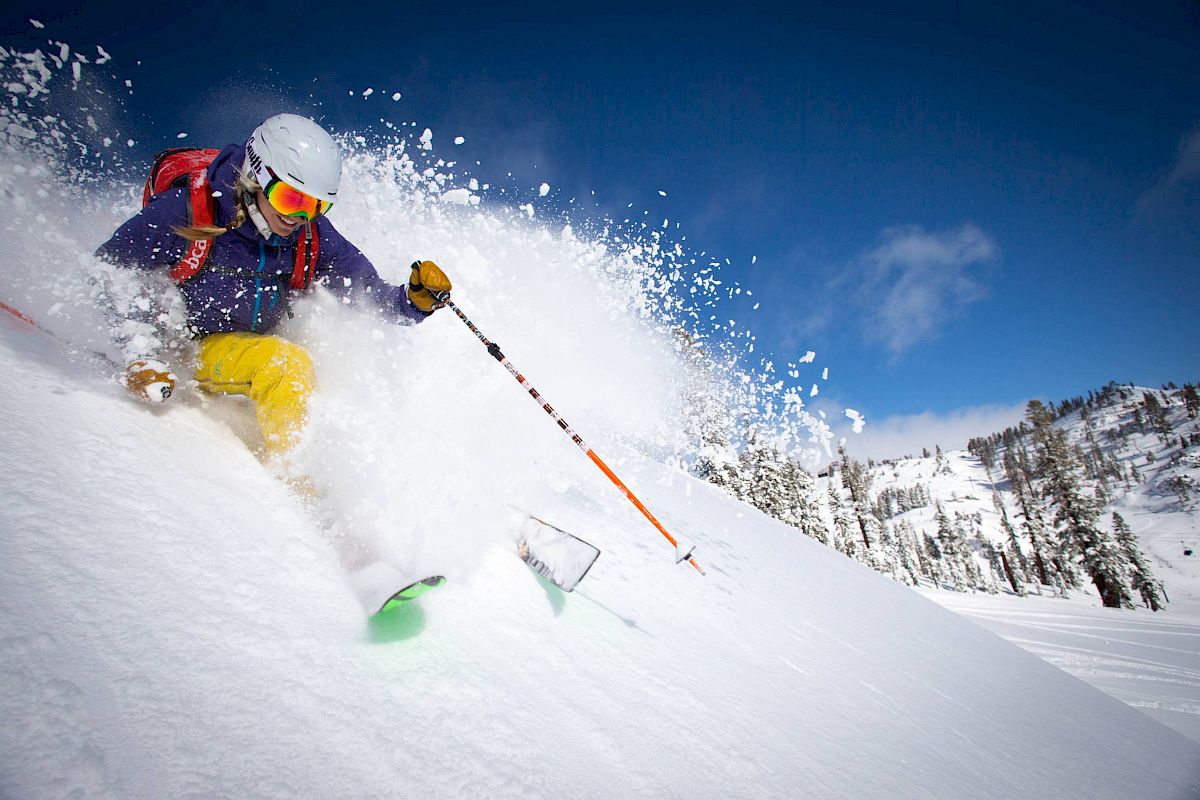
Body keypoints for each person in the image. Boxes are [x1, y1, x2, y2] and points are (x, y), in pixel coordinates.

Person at [96, 113, 451, 456]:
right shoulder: (185, 211)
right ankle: (295, 478)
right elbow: (112, 270)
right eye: (289, 199)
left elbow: (364, 294)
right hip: (193, 346)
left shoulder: (311, 236)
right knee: (285, 365)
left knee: (335, 375)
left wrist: (414, 301)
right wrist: (139, 351)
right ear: (256, 176)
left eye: (315, 206)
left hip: (256, 341)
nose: (297, 217)